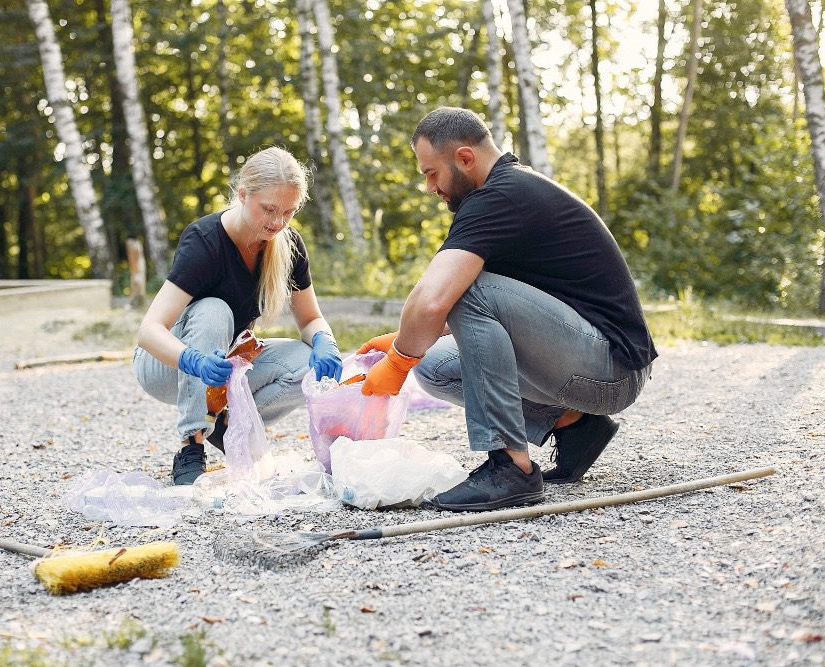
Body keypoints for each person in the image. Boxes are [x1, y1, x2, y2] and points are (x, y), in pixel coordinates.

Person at [360, 107, 656, 512]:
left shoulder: (499, 198)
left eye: (431, 173)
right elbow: (488, 318)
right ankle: (574, 425)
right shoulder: (505, 192)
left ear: (464, 158)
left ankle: (511, 468)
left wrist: (396, 363)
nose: (429, 186)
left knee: (463, 293)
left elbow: (436, 298)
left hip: (610, 368)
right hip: (590, 363)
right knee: (432, 366)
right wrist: (405, 345)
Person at [133, 147, 343, 485]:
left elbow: (310, 319)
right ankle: (192, 444)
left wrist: (325, 341)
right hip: (167, 365)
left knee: (306, 362)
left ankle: (227, 422)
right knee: (213, 309)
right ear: (243, 194)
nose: (277, 222)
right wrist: (194, 361)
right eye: (269, 209)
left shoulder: (288, 245)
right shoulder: (205, 241)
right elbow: (148, 331)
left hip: (223, 367)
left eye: (288, 212)